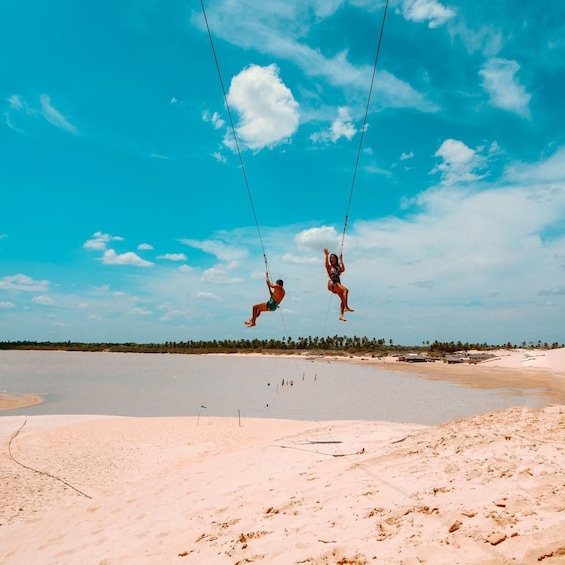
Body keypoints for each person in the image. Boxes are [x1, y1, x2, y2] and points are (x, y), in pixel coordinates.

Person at [324, 248, 354, 321]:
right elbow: (326, 264)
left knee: (343, 299)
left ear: (336, 259)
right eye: (331, 258)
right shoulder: (329, 267)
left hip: (336, 285)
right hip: (332, 283)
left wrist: (341, 259)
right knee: (345, 290)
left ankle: (341, 316)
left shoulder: (338, 268)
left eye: (333, 258)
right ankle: (346, 307)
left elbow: (343, 269)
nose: (332, 259)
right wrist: (327, 255)